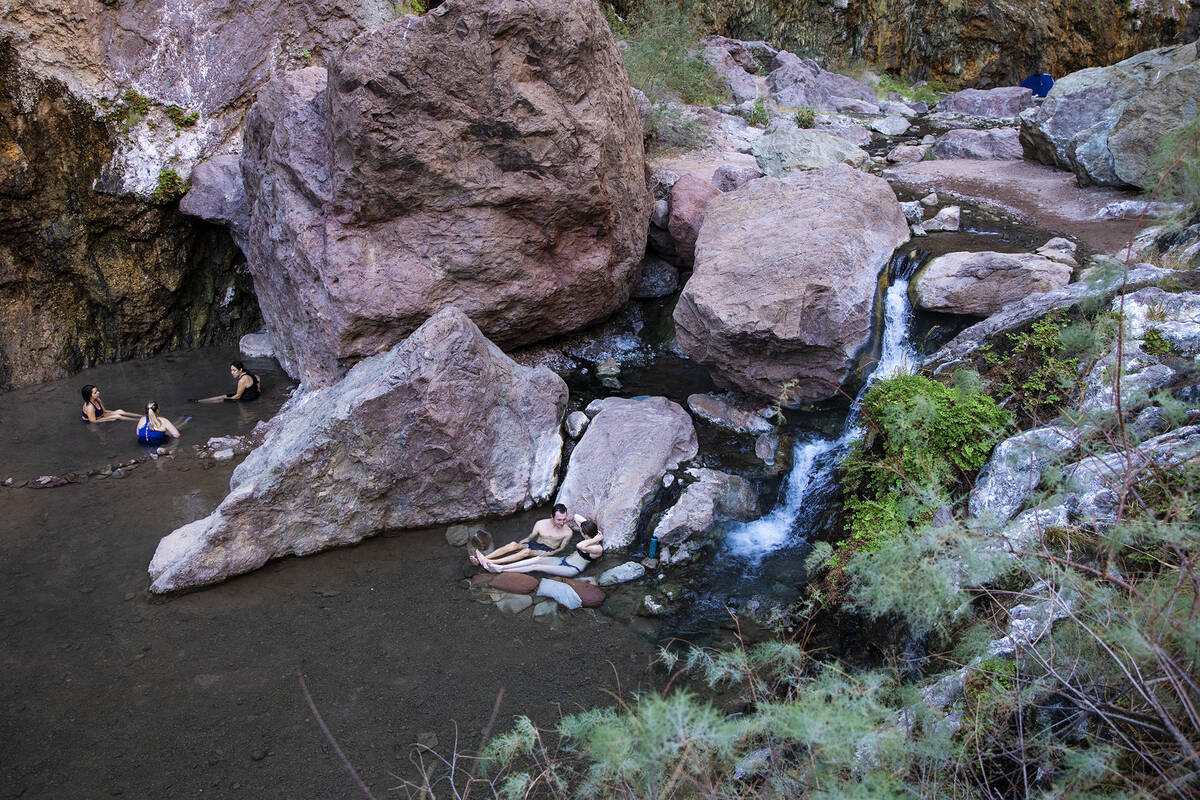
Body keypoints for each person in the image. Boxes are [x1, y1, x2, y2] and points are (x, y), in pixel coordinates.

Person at [474, 518, 603, 578]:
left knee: (536, 566)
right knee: (536, 559)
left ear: (587, 535)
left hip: (571, 568)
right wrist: (595, 535)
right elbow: (576, 516)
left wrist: (596, 539)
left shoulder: (597, 549)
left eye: (582, 532)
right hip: (563, 559)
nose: (581, 533)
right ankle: (494, 564)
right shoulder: (589, 538)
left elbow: (579, 546)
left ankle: (500, 569)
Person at [476, 503, 573, 565]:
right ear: (552, 517)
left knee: (526, 552)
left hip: (548, 550)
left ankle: (492, 562)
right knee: (513, 544)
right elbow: (530, 537)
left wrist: (550, 553)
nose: (562, 522)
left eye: (564, 519)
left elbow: (561, 548)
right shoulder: (540, 523)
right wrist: (519, 545)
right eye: (559, 519)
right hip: (535, 545)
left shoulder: (568, 532)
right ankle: (484, 558)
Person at [195, 361, 261, 403]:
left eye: (234, 370)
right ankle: (199, 401)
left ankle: (198, 402)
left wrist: (226, 400)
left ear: (240, 370)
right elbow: (257, 377)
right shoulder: (247, 372)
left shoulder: (242, 380)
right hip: (254, 395)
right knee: (222, 396)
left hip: (248, 399)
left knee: (221, 399)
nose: (232, 373)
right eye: (231, 370)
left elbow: (238, 396)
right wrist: (258, 389)